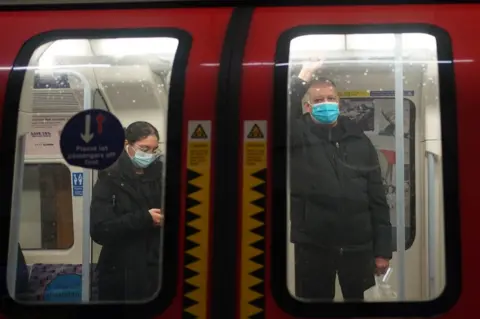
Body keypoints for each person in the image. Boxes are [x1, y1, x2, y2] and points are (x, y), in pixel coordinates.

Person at [289, 59, 393, 301]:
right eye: (318, 100)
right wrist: (303, 76)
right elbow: (278, 112)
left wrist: (382, 251)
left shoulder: (359, 140)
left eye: (330, 99)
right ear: (307, 106)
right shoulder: (298, 136)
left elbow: (377, 198)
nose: (326, 104)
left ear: (339, 102)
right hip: (314, 247)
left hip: (359, 247)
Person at [90, 121, 164, 301]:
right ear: (126, 145)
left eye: (154, 150)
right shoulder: (110, 178)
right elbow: (100, 230)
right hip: (119, 270)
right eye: (144, 149)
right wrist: (144, 219)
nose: (149, 155)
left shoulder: (160, 176)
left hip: (152, 268)